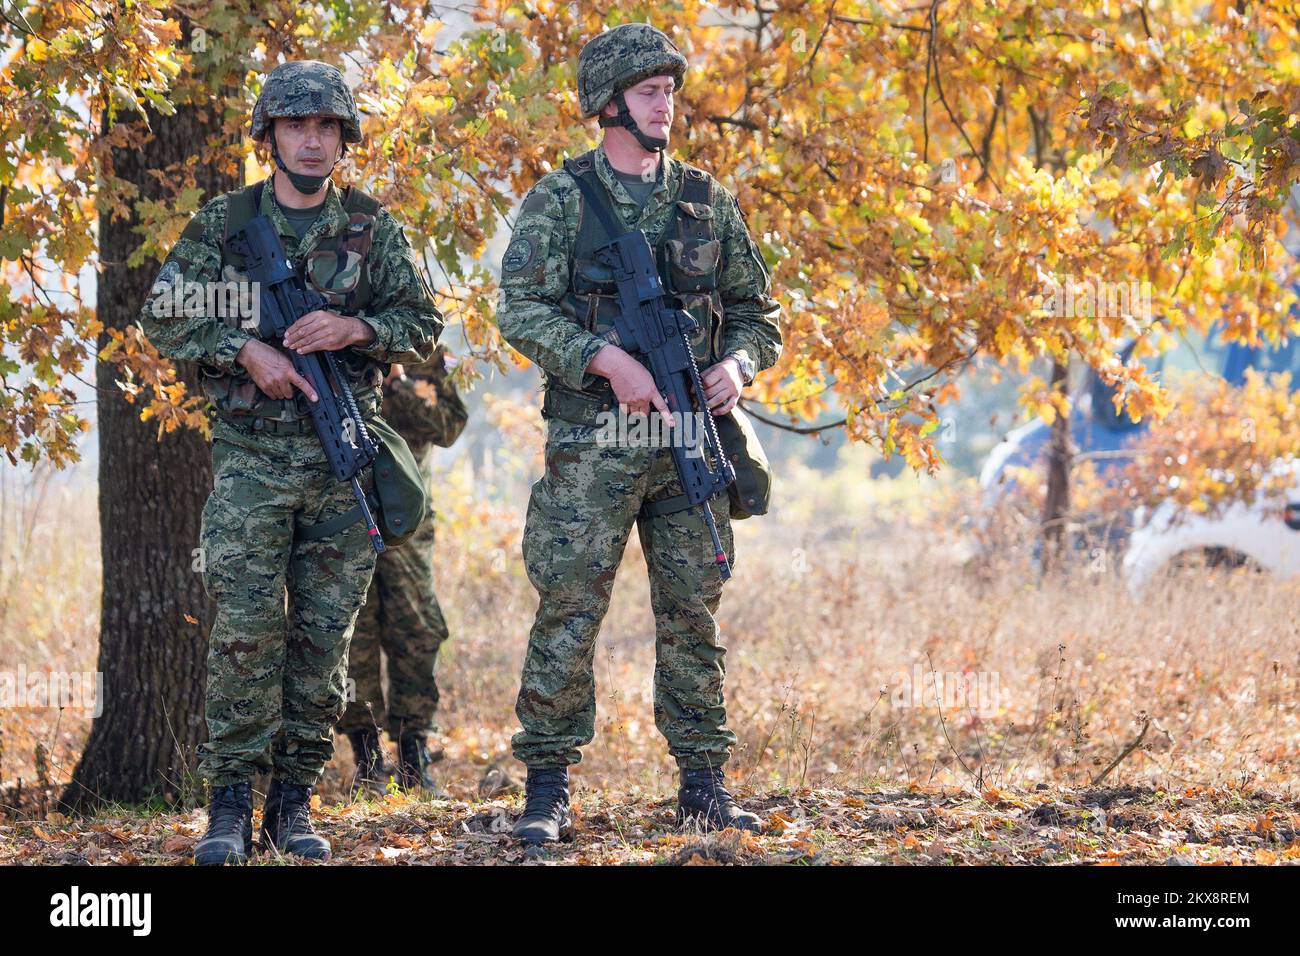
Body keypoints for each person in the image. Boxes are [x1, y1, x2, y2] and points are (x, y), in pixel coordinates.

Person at [139, 60, 442, 864]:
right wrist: (243, 349)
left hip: (343, 465)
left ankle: (294, 804)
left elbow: (421, 319)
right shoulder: (226, 224)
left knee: (323, 643)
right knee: (243, 635)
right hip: (250, 464)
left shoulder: (374, 227)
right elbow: (162, 312)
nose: (313, 140)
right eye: (296, 126)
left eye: (328, 127)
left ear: (344, 137)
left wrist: (357, 331)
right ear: (269, 136)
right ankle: (229, 808)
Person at [495, 23, 783, 844]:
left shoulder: (706, 199)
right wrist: (601, 361)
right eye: (651, 91)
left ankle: (702, 785)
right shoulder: (561, 198)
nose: (667, 105)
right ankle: (546, 789)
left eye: (670, 91)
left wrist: (741, 367)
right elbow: (518, 307)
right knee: (569, 606)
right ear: (609, 103)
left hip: (694, 435)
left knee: (694, 611)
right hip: (594, 443)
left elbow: (759, 313)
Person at [338, 346, 467, 794]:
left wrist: (398, 383)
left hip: (405, 523)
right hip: (341, 515)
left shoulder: (421, 351)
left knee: (417, 632)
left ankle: (414, 757)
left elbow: (449, 425)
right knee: (353, 638)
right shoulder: (333, 343)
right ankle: (367, 759)